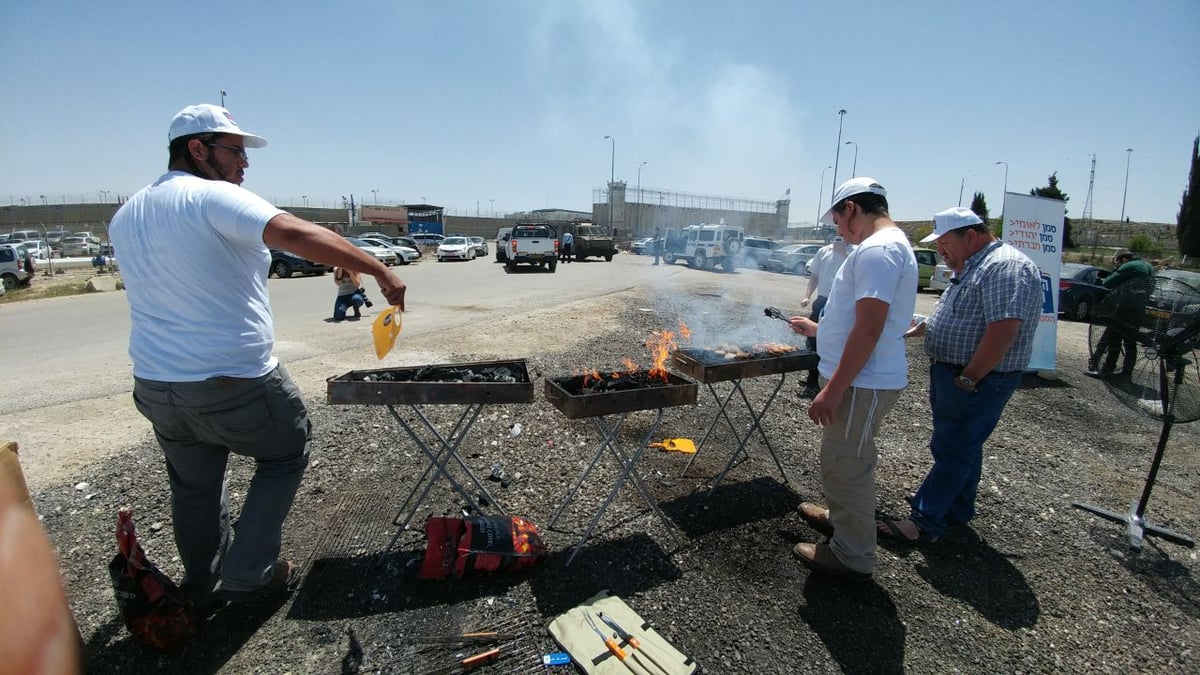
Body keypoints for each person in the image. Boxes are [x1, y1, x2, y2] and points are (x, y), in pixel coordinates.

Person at [109, 104, 407, 613]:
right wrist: (379, 267)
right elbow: (298, 235)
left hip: (157, 385)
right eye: (235, 151)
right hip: (233, 379)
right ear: (198, 150)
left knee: (195, 487)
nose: (244, 164)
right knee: (286, 451)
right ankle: (249, 572)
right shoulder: (213, 196)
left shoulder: (128, 212)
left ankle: (202, 586)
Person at [876, 206, 1041, 545]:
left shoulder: (1005, 266)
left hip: (979, 381)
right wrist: (924, 328)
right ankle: (956, 509)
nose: (940, 250)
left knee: (954, 447)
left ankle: (923, 521)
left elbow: (1004, 329)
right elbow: (964, 317)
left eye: (945, 242)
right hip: (957, 374)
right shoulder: (973, 266)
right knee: (962, 446)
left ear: (971, 235)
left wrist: (970, 377)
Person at [787, 177, 918, 579]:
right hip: (864, 379)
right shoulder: (888, 246)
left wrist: (833, 388)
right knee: (844, 458)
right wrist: (818, 330)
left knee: (847, 464)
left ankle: (852, 555)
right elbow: (859, 320)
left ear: (852, 208)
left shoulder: (878, 250)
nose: (839, 231)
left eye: (839, 221)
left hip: (863, 383)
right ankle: (841, 517)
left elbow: (869, 328)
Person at [1085, 250, 1154, 379]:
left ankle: (1105, 369)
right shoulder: (1148, 266)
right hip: (1139, 310)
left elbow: (1108, 282)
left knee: (1111, 339)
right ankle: (1127, 373)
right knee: (1130, 343)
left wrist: (1109, 276)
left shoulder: (1130, 266)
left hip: (1124, 310)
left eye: (1118, 264)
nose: (1118, 266)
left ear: (1123, 260)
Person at [798, 236, 849, 398]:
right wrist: (807, 296)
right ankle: (813, 378)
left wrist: (845, 253)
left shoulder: (855, 252)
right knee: (812, 340)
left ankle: (829, 380)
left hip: (841, 303)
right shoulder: (823, 251)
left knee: (833, 339)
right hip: (822, 300)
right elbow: (814, 277)